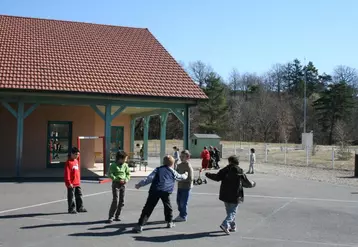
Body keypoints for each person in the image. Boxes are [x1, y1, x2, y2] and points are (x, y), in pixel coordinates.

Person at [132, 155, 188, 233]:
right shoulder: (172, 171)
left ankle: (140, 225)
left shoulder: (158, 169)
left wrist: (140, 184)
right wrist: (186, 174)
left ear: (163, 162)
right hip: (166, 191)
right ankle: (169, 222)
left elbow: (149, 178)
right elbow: (180, 177)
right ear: (172, 164)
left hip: (155, 190)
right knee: (168, 207)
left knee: (148, 208)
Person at [205, 155, 256, 235]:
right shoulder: (239, 170)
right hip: (235, 194)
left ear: (230, 162)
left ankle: (232, 225)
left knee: (229, 211)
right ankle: (225, 224)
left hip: (225, 193)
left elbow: (217, 177)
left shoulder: (225, 169)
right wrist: (252, 184)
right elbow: (245, 182)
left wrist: (208, 174)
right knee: (233, 212)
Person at [107, 151, 131, 223]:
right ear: (120, 158)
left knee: (121, 201)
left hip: (123, 185)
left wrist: (126, 179)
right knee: (115, 200)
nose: (126, 160)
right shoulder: (113, 165)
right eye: (125, 159)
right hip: (116, 184)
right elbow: (110, 174)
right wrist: (116, 179)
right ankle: (111, 216)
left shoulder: (125, 165)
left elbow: (128, 174)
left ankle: (117, 216)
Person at [64, 147, 87, 214]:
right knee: (71, 197)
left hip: (77, 182)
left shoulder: (76, 161)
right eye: (76, 154)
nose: (77, 156)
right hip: (71, 183)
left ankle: (80, 207)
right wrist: (69, 183)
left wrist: (78, 180)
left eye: (78, 154)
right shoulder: (68, 162)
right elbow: (67, 174)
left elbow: (77, 172)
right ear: (72, 154)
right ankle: (71, 209)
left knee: (79, 195)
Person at [174, 150, 194, 222]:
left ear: (188, 157)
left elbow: (190, 178)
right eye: (180, 156)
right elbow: (175, 172)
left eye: (183, 157)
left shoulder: (188, 166)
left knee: (183, 202)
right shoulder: (180, 165)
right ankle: (181, 214)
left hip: (186, 187)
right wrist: (175, 164)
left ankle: (183, 216)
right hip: (180, 186)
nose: (181, 158)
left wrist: (181, 179)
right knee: (178, 201)